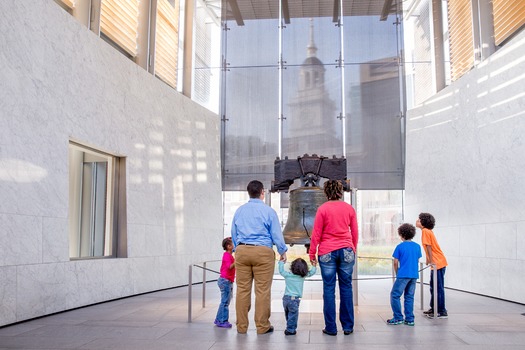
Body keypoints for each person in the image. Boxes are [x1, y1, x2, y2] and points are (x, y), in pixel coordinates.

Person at [231, 180, 288, 334]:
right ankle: (262, 327)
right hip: (263, 252)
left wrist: (238, 249)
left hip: (242, 251)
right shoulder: (269, 211)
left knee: (242, 290)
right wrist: (282, 251)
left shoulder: (239, 211)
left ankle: (241, 327)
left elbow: (234, 234)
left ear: (249, 193)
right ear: (262, 192)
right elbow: (276, 234)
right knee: (262, 291)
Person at [309, 179, 358, 336]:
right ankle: (348, 326)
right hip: (346, 250)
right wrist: (353, 248)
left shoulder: (323, 209)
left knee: (329, 289)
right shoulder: (349, 208)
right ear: (340, 191)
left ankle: (331, 327)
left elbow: (316, 233)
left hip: (327, 252)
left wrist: (312, 253)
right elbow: (355, 232)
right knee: (346, 288)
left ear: (326, 193)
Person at [387, 223, 422, 326]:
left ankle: (398, 317)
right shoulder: (417, 246)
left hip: (403, 275)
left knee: (395, 295)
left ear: (401, 234)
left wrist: (397, 272)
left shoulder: (400, 247)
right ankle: (410, 319)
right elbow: (417, 259)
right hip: (414, 275)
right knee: (409, 297)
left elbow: (395, 262)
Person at [416, 212, 448, 318]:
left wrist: (430, 260)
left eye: (419, 220)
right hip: (437, 262)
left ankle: (441, 311)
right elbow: (428, 246)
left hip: (437, 263)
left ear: (423, 222)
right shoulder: (427, 231)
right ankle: (434, 308)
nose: (417, 221)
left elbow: (429, 246)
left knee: (438, 287)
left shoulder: (425, 231)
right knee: (433, 286)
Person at [278, 258, 317, 335]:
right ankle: (290, 330)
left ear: (292, 267)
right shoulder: (302, 276)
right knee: (293, 315)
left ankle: (289, 326)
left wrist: (281, 262)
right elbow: (312, 273)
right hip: (294, 300)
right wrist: (314, 265)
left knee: (288, 314)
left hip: (285, 299)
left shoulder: (288, 275)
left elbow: (281, 271)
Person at [214, 237, 235, 328]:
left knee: (225, 301)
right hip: (225, 281)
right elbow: (229, 267)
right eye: (233, 244)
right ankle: (222, 321)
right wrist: (238, 260)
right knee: (225, 302)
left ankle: (218, 319)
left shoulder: (230, 255)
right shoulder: (226, 255)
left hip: (227, 280)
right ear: (229, 246)